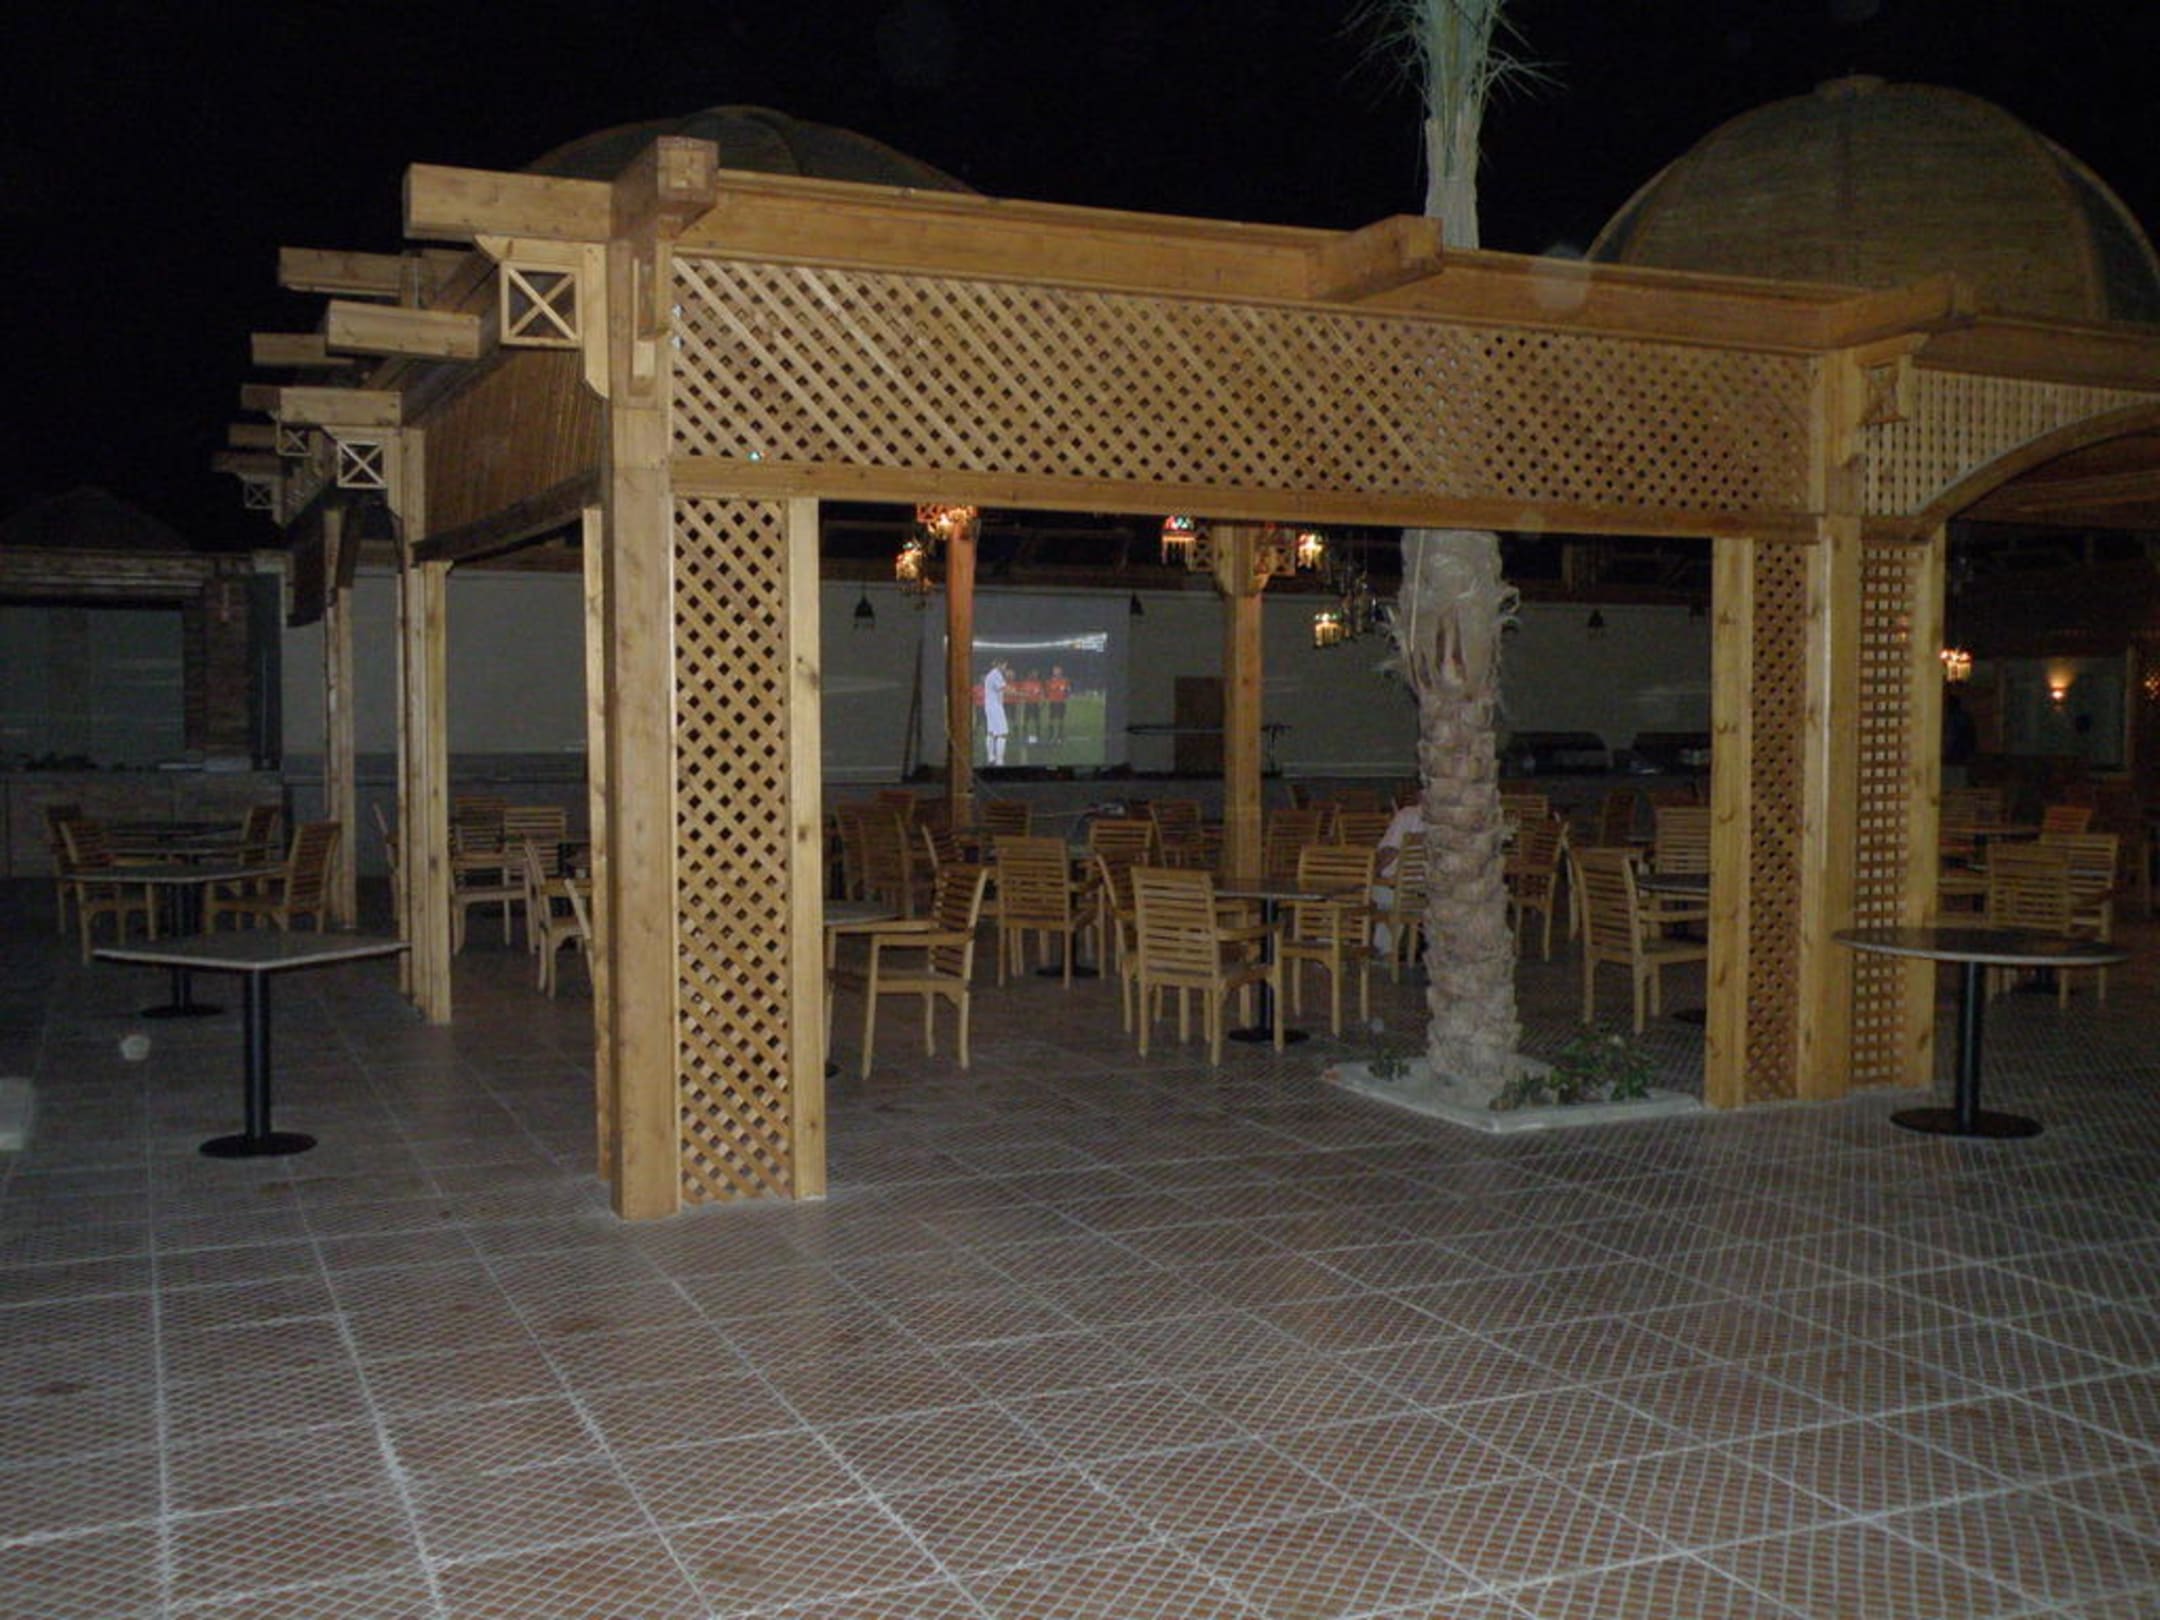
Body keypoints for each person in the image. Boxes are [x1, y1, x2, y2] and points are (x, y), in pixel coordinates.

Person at [1372, 798, 1425, 953]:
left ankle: (1333, 947)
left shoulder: (1408, 814)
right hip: (1422, 893)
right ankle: (1385, 950)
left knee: (1343, 896)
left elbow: (1390, 851)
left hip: (1396, 891)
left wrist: (1371, 872)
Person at [982, 659, 1010, 766]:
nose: (1006, 668)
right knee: (1002, 733)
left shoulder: (990, 674)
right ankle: (999, 760)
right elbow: (1004, 689)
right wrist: (1022, 694)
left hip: (989, 706)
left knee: (991, 732)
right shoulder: (996, 674)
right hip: (995, 707)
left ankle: (990, 757)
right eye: (1005, 665)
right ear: (1000, 664)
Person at [1046, 664, 1071, 743]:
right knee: (1051, 719)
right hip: (1053, 702)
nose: (1056, 672)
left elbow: (1068, 690)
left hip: (1061, 702)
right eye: (1055, 671)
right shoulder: (1050, 681)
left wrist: (1066, 694)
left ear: (1061, 671)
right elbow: (1047, 691)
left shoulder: (1065, 681)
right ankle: (1051, 735)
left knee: (1061, 719)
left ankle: (1059, 736)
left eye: (1058, 670)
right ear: (1053, 672)